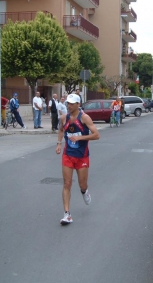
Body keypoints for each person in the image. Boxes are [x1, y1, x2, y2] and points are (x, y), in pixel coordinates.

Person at [55, 94, 100, 225]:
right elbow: (61, 130)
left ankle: (84, 191)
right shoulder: (64, 118)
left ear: (78, 104)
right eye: (68, 103)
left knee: (82, 184)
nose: (69, 106)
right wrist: (58, 143)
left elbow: (97, 135)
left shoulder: (85, 118)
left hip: (82, 156)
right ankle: (67, 214)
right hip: (68, 155)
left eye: (72, 103)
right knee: (67, 184)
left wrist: (80, 138)